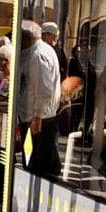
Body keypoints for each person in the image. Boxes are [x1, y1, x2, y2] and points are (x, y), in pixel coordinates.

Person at [18, 17, 62, 177]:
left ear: (27, 38)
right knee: (32, 161)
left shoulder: (38, 55)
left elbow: (44, 90)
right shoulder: (38, 51)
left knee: (36, 164)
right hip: (35, 118)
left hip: (37, 120)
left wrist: (37, 117)